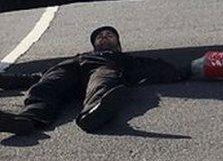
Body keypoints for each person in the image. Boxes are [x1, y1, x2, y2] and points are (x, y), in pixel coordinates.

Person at [0, 26, 187, 136]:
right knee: (47, 84)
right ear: (94, 44)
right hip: (70, 72)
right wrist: (5, 81)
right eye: (100, 36)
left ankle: (93, 112)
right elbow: (35, 77)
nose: (103, 37)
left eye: (109, 35)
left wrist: (189, 70)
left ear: (118, 44)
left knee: (103, 80)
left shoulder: (125, 58)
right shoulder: (76, 58)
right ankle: (26, 120)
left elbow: (158, 68)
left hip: (102, 69)